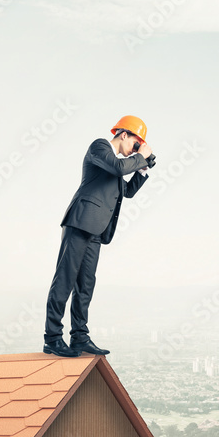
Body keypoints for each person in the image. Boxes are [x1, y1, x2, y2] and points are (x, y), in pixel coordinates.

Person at [43, 115, 155, 357]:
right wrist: (140, 156)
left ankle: (79, 337)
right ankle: (52, 338)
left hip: (97, 229)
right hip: (80, 222)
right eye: (136, 143)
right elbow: (118, 167)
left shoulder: (115, 165)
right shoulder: (100, 147)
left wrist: (143, 169)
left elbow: (127, 191)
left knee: (86, 285)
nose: (134, 150)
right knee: (65, 279)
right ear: (123, 134)